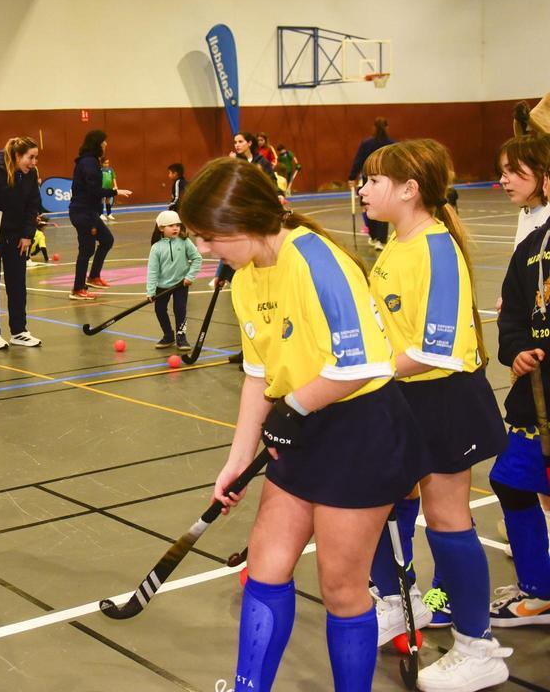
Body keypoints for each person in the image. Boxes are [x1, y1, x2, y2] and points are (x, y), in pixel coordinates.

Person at [180, 157, 426, 692]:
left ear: (242, 221)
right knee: (266, 567)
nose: (204, 250)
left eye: (208, 237)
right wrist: (236, 460)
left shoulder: (316, 259)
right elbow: (256, 377)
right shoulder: (245, 278)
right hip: (304, 421)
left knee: (341, 589)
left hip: (359, 430)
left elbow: (359, 364)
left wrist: (294, 408)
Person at [358, 139, 511, 689]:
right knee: (371, 502)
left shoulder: (437, 249)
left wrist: (356, 377)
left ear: (409, 188)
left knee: (448, 521)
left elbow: (433, 350)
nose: (362, 189)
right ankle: (404, 603)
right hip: (399, 395)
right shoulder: (396, 245)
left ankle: (478, 647)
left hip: (443, 398)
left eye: (373, 180)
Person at [488, 132, 550, 632]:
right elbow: (511, 315)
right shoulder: (530, 243)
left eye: (515, 170)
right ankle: (539, 590)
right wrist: (516, 351)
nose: (503, 179)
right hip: (535, 397)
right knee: (511, 480)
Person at [0, 136, 43, 350]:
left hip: (16, 237)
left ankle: (19, 330)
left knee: (17, 283)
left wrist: (27, 234)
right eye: (30, 157)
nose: (34, 162)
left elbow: (33, 206)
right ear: (16, 156)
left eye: (35, 158)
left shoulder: (30, 176)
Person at [68, 130, 130, 301]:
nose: (106, 145)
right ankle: (77, 289)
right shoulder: (88, 162)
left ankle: (93, 277)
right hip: (83, 213)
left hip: (89, 212)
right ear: (97, 144)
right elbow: (94, 190)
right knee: (86, 250)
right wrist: (115, 191)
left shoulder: (92, 161)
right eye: (104, 142)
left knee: (107, 240)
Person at [145, 210, 201, 350]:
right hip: (162, 286)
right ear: (161, 228)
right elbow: (152, 271)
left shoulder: (184, 242)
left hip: (181, 284)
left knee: (179, 309)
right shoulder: (156, 248)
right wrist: (151, 291)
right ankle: (168, 336)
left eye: (177, 225)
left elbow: (197, 259)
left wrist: (190, 276)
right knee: (160, 310)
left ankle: (181, 337)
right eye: (171, 225)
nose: (175, 228)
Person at [349, 117, 394, 250]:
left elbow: (358, 161)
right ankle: (380, 240)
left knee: (369, 208)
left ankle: (374, 236)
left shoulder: (366, 143)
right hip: (385, 183)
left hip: (368, 182)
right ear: (387, 127)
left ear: (374, 128)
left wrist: (352, 177)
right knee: (383, 210)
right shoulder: (391, 144)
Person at [100, 157, 118, 222]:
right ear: (102, 163)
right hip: (102, 188)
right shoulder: (100, 170)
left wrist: (115, 185)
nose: (107, 164)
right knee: (102, 200)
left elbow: (114, 178)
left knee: (108, 201)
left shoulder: (111, 170)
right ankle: (101, 214)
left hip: (109, 187)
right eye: (105, 163)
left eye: (108, 163)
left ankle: (109, 214)